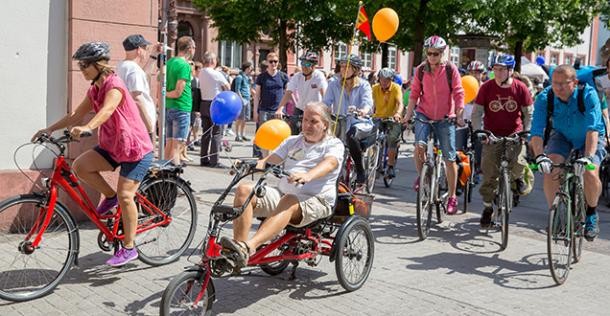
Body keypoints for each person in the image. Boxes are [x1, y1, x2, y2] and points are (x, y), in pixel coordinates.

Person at [32, 42, 153, 266]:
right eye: (80, 64)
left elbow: (107, 110)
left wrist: (89, 127)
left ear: (99, 64)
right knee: (80, 166)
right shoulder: (94, 88)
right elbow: (77, 114)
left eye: (85, 64)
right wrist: (49, 129)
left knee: (127, 195)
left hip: (135, 148)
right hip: (114, 146)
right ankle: (110, 196)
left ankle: (129, 247)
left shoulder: (114, 85)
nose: (82, 69)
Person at [220, 102, 344, 268]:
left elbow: (330, 164)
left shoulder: (333, 144)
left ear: (325, 125)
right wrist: (246, 165)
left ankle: (250, 246)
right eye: (305, 119)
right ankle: (239, 251)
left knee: (289, 200)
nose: (307, 125)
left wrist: (308, 175)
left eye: (313, 121)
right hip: (283, 194)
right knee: (244, 189)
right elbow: (269, 161)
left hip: (316, 200)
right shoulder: (293, 141)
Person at [530, 64, 606, 241]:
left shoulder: (587, 94)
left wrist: (587, 157)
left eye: (563, 83)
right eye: (555, 83)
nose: (558, 87)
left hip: (590, 136)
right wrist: (540, 156)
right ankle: (556, 214)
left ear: (575, 82)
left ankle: (591, 213)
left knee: (590, 171)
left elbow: (592, 128)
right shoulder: (545, 97)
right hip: (562, 135)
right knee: (551, 168)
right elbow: (536, 130)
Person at [402, 35, 465, 215]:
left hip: (446, 117)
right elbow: (414, 94)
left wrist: (459, 114)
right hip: (424, 113)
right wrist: (408, 114)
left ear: (443, 53)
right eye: (429, 53)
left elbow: (459, 93)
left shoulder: (450, 70)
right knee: (418, 147)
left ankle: (452, 196)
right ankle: (423, 177)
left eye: (436, 54)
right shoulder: (422, 70)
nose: (432, 57)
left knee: (449, 157)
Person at [471, 54, 534, 228]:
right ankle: (488, 208)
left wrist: (526, 132)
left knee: (518, 162)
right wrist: (479, 132)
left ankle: (517, 179)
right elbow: (476, 113)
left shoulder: (521, 88)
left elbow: (529, 113)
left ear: (510, 71)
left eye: (501, 69)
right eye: (495, 69)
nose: (497, 73)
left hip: (515, 134)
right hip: (492, 136)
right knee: (489, 173)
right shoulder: (486, 87)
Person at [323, 54, 374, 186]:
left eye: (347, 67)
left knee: (351, 136)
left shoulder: (364, 85)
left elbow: (367, 103)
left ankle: (360, 169)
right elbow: (326, 102)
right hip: (340, 121)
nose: (343, 69)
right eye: (342, 66)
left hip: (360, 122)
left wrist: (363, 110)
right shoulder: (333, 84)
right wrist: (323, 110)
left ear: (356, 70)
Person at [116, 34, 158, 142]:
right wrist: (149, 125)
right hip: (139, 125)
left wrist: (153, 56)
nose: (146, 51)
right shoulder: (134, 69)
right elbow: (137, 98)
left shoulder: (122, 65)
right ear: (139, 49)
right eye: (145, 48)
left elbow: (143, 74)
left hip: (128, 122)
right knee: (143, 157)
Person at [165, 36, 196, 165]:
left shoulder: (170, 62)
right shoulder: (184, 65)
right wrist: (167, 94)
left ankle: (164, 178)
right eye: (194, 48)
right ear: (189, 48)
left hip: (169, 107)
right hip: (181, 107)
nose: (194, 51)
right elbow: (179, 92)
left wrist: (164, 95)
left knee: (169, 144)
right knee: (178, 146)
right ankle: (173, 179)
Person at [253, 52, 289, 157]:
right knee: (263, 135)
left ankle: (275, 159)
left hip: (278, 111)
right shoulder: (262, 77)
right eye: (271, 62)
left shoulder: (283, 76)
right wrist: (255, 111)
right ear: (267, 63)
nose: (273, 64)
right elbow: (257, 95)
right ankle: (261, 159)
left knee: (277, 135)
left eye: (275, 61)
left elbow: (288, 93)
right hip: (264, 110)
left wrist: (283, 109)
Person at [198, 52, 230, 168]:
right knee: (216, 133)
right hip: (215, 104)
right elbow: (228, 87)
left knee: (206, 133)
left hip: (204, 103)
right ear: (212, 61)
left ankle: (203, 158)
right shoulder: (216, 73)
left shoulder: (201, 72)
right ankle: (214, 160)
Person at [276, 52, 327, 122]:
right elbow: (288, 92)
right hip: (300, 108)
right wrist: (280, 108)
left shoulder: (318, 76)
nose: (304, 67)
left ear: (313, 66)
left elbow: (324, 94)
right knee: (293, 127)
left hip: (315, 109)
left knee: (312, 129)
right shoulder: (297, 76)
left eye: (307, 64)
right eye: (302, 63)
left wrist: (325, 110)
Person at [372, 67, 403, 177]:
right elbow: (370, 103)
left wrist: (398, 113)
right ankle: (372, 162)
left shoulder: (396, 88)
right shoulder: (374, 88)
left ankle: (390, 166)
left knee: (392, 139)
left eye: (387, 80)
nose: (384, 82)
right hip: (378, 117)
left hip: (392, 118)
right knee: (371, 136)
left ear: (391, 80)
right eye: (382, 79)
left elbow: (400, 103)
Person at [233, 61, 254, 142]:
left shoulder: (247, 77)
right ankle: (237, 135)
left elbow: (248, 88)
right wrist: (241, 99)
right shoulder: (239, 77)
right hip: (243, 99)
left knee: (245, 118)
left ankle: (242, 134)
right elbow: (237, 89)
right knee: (240, 118)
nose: (251, 69)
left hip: (248, 99)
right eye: (250, 68)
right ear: (247, 68)